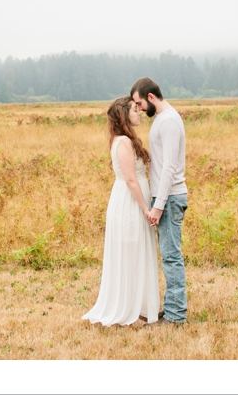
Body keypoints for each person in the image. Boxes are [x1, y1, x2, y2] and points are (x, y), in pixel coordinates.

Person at [82, 96, 160, 327]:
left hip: (131, 200)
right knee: (130, 252)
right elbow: (130, 179)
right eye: (135, 110)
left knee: (136, 251)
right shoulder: (124, 142)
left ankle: (139, 305)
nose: (139, 113)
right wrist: (146, 208)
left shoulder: (125, 139)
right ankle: (129, 309)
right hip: (130, 203)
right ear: (124, 115)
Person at [130, 77, 188, 325]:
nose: (140, 108)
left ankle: (176, 316)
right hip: (167, 196)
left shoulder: (169, 122)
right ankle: (173, 307)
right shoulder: (163, 121)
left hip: (171, 197)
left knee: (171, 256)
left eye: (139, 103)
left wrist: (158, 205)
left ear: (150, 97)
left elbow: (169, 168)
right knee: (168, 255)